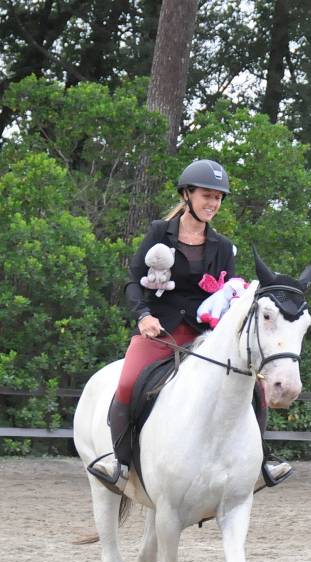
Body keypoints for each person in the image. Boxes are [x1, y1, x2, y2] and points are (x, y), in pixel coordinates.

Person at [97, 159, 290, 490]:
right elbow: (133, 281)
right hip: (161, 330)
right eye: (207, 196)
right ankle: (121, 461)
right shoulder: (160, 232)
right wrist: (144, 316)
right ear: (187, 194)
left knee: (255, 388)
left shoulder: (223, 246)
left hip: (206, 335)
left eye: (218, 198)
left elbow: (227, 296)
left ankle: (263, 460)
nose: (213, 204)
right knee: (128, 383)